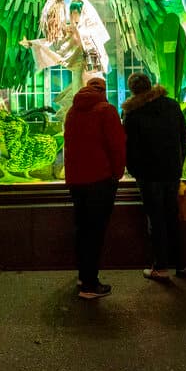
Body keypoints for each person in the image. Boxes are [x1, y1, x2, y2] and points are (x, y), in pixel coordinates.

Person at [121, 72, 186, 281]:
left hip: (148, 174)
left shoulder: (132, 114)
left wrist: (133, 170)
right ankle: (181, 264)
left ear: (132, 90)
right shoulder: (171, 105)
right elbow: (183, 136)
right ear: (150, 85)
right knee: (172, 216)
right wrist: (178, 163)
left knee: (156, 218)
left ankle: (160, 266)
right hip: (171, 171)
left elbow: (128, 147)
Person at [64, 76, 126, 299]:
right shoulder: (106, 111)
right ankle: (90, 285)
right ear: (103, 91)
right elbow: (117, 146)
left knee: (82, 230)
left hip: (77, 181)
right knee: (95, 232)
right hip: (100, 180)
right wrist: (117, 174)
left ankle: (83, 275)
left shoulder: (72, 112)